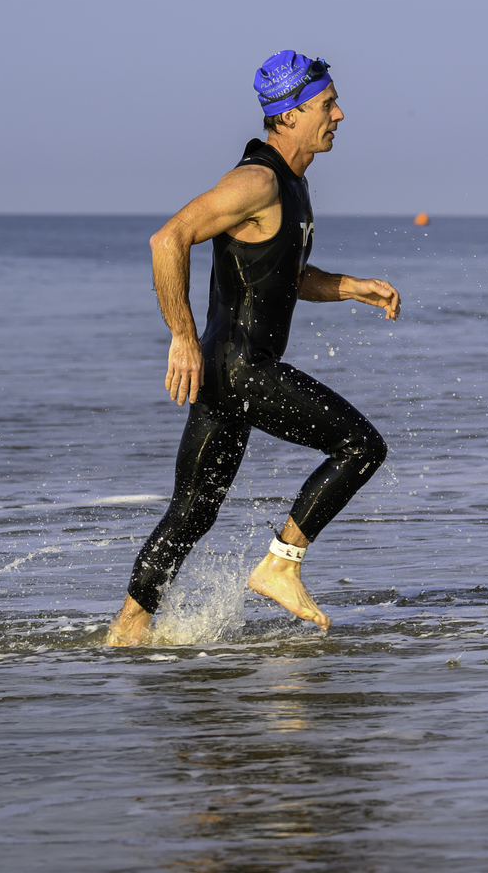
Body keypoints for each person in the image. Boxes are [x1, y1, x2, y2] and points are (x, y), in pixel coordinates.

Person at [106, 50, 401, 646]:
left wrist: (350, 287)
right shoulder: (257, 180)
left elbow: (281, 274)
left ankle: (124, 636)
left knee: (191, 514)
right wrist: (182, 337)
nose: (340, 114)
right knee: (361, 446)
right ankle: (280, 564)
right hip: (240, 368)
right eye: (326, 103)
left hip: (227, 372)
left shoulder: (291, 184)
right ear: (289, 115)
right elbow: (169, 239)